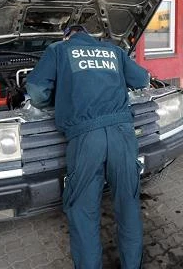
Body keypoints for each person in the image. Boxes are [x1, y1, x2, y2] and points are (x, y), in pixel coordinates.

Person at [26, 24, 149, 269]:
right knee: (128, 203)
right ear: (89, 35)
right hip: (123, 136)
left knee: (83, 211)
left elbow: (38, 92)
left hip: (85, 139)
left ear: (67, 35)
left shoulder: (58, 50)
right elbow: (142, 79)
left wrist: (61, 94)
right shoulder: (113, 51)